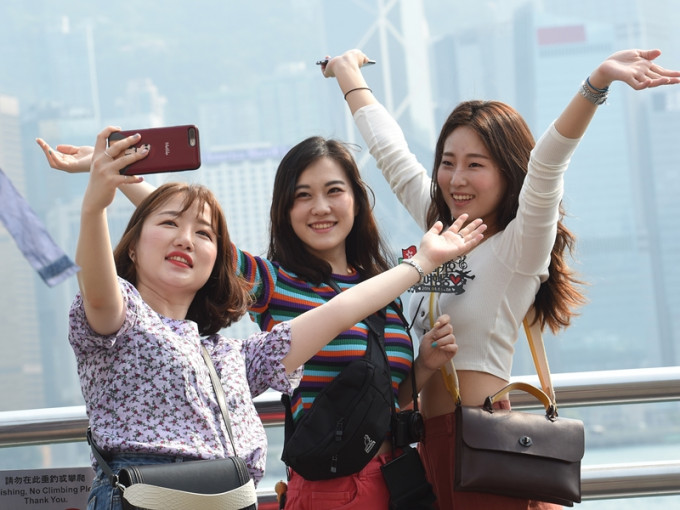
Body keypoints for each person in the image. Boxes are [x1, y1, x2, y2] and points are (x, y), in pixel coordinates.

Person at [44, 128, 482, 509]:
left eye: (333, 191)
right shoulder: (270, 282)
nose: (320, 207)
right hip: (328, 484)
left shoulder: (377, 294)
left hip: (398, 472)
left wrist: (422, 366)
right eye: (302, 195)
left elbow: (366, 364)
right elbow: (180, 239)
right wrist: (109, 185)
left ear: (356, 199)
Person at [321, 48, 680, 509]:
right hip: (428, 449)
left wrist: (597, 82)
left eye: (476, 164)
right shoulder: (444, 234)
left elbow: (548, 164)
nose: (456, 178)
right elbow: (391, 153)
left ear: (508, 173)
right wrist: (347, 75)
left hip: (483, 448)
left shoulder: (519, 247)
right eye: (448, 162)